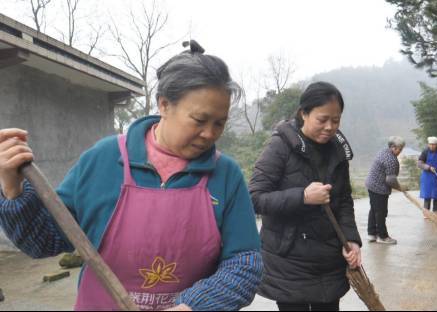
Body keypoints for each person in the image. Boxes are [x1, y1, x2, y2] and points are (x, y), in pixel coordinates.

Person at [0, 41, 262, 311]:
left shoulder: (225, 175)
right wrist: (12, 189)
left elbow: (244, 263)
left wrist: (193, 306)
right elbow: (44, 242)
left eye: (219, 123)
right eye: (199, 120)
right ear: (164, 105)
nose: (210, 133)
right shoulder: (103, 160)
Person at [249, 82, 362, 311]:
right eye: (322, 119)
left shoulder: (338, 150)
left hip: (329, 261)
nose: (330, 127)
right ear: (304, 114)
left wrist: (351, 239)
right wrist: (302, 196)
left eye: (336, 120)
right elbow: (255, 198)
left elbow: (344, 201)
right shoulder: (280, 146)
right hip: (290, 261)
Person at [364, 136, 406, 245]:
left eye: (401, 149)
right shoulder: (391, 160)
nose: (400, 151)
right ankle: (382, 236)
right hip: (378, 187)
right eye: (398, 149)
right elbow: (390, 180)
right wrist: (400, 188)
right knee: (381, 212)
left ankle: (372, 234)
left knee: (374, 209)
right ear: (392, 147)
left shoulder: (384, 151)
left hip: (371, 184)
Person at [418, 136, 437, 213]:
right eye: (430, 144)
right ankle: (426, 212)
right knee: (427, 195)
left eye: (433, 144)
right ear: (428, 144)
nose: (431, 146)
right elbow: (420, 163)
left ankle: (436, 211)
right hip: (427, 177)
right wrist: (428, 167)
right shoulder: (425, 152)